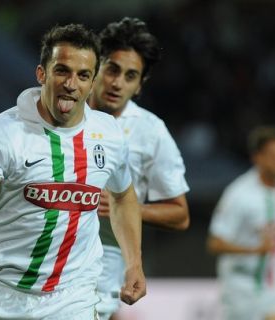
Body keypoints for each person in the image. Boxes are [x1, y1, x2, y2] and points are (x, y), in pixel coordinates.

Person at [0, 23, 146, 320]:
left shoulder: (108, 136)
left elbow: (124, 197)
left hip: (72, 296)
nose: (71, 83)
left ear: (93, 82)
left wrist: (134, 263)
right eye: (62, 71)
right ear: (41, 74)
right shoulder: (3, 136)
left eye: (83, 75)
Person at [88, 17, 190, 320]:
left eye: (130, 76)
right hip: (48, 254)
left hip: (104, 264)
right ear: (96, 67)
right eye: (112, 69)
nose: (118, 83)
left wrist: (126, 206)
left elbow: (180, 215)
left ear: (140, 84)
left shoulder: (151, 132)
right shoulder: (66, 115)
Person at [207, 126, 275, 320]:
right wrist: (254, 250)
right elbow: (214, 243)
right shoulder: (238, 195)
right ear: (257, 157)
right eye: (274, 156)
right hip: (242, 286)